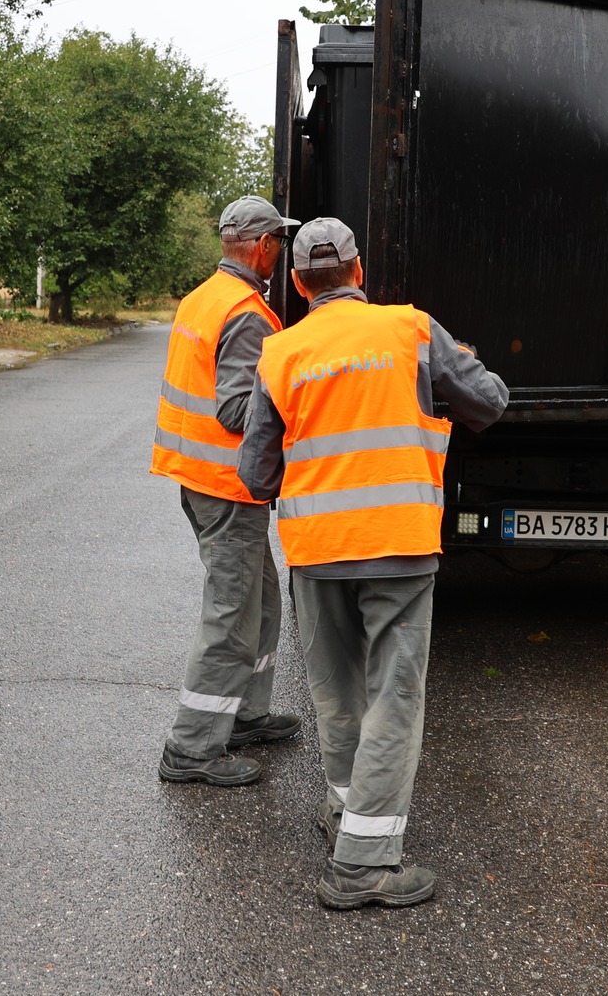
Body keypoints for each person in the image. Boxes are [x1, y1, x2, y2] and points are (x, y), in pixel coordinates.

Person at [238, 216, 508, 910]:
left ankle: (347, 817)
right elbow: (490, 402)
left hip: (317, 552)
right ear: (359, 272)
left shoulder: (281, 352)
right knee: (395, 694)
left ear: (299, 284)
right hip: (399, 544)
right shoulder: (412, 330)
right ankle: (363, 863)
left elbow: (256, 473)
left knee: (336, 691)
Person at [151, 196, 305, 786]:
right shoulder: (247, 313)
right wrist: (297, 397)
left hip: (201, 478)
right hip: (227, 485)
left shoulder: (203, 296)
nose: (279, 253)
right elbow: (240, 410)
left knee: (260, 598)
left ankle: (244, 713)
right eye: (279, 243)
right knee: (232, 612)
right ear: (262, 246)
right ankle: (191, 748)